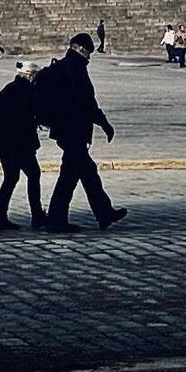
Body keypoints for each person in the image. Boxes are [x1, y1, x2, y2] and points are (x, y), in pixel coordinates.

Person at [40, 32, 127, 233]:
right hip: (74, 131)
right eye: (87, 52)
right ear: (80, 48)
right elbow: (86, 101)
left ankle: (103, 213)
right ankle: (57, 219)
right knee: (71, 177)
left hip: (65, 130)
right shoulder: (74, 68)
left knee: (84, 173)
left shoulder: (63, 66)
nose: (89, 57)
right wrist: (104, 123)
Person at [0, 61, 45, 231]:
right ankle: (36, 215)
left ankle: (0, 217)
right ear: (29, 75)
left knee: (11, 178)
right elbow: (28, 117)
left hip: (6, 144)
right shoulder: (24, 91)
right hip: (19, 144)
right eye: (35, 76)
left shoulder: (10, 89)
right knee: (33, 174)